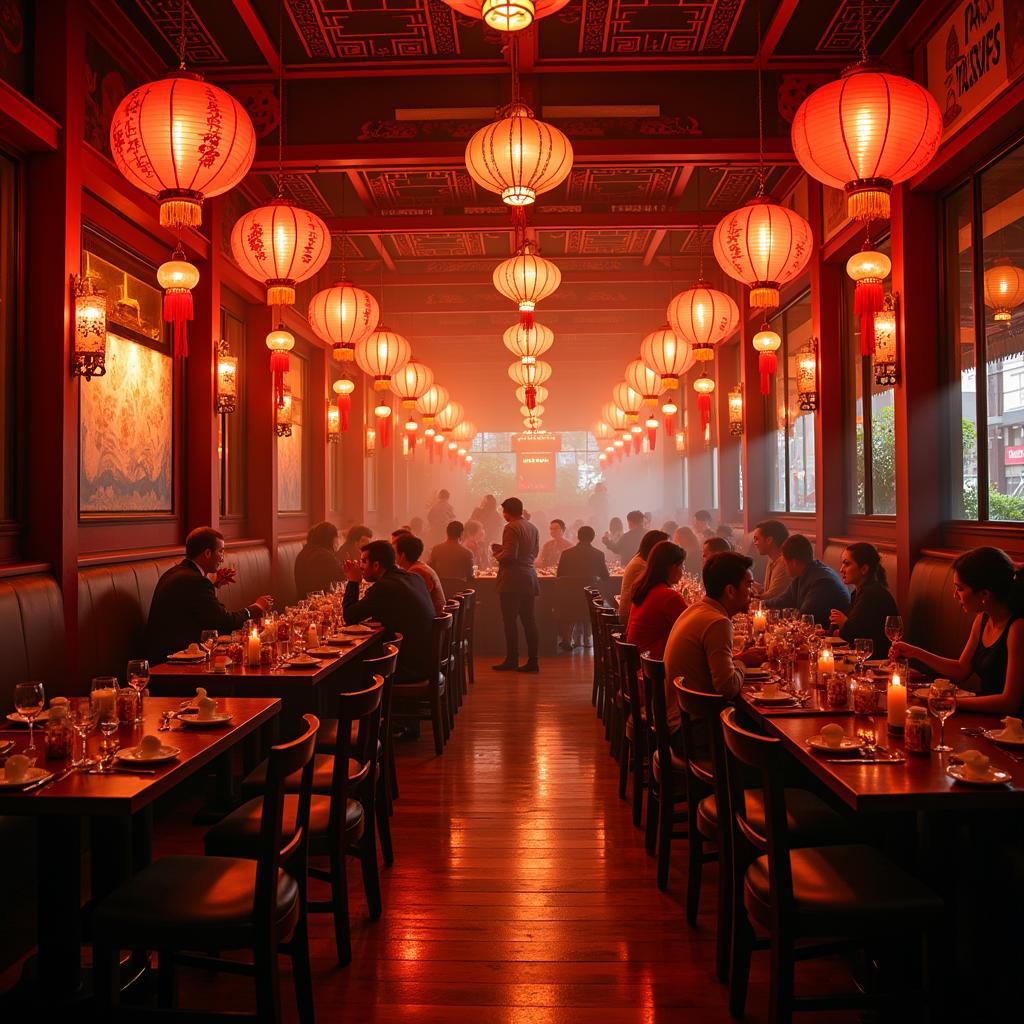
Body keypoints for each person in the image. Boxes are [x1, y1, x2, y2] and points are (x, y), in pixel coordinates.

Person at [891, 546, 1024, 715]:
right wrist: (915, 652)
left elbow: (1009, 702)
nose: (955, 595)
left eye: (960, 588)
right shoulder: (982, 620)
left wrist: (951, 703)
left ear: (984, 594)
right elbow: (961, 670)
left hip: (1012, 728)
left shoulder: (1017, 628)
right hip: (986, 719)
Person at [663, 551, 766, 733]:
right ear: (730, 590)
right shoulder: (718, 622)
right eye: (748, 585)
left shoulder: (697, 609)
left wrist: (737, 659)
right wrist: (743, 662)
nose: (753, 592)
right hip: (693, 730)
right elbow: (727, 688)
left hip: (678, 719)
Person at [145, 527, 272, 663]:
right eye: (221, 551)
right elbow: (225, 623)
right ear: (207, 553)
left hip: (166, 656)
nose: (222, 558)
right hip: (172, 663)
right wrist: (256, 608)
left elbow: (195, 609)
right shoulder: (196, 582)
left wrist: (213, 584)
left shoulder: (174, 573)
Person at [341, 539, 435, 682]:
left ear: (377, 565)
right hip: (426, 660)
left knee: (349, 672)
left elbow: (350, 616)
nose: (360, 567)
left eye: (364, 561)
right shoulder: (413, 577)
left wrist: (353, 581)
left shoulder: (385, 587)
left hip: (407, 668)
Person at [490, 496, 540, 673]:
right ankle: (533, 661)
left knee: (510, 621)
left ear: (507, 512)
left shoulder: (510, 527)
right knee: (529, 620)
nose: (503, 515)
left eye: (503, 511)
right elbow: (534, 552)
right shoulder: (532, 527)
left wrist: (496, 554)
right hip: (529, 577)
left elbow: (510, 556)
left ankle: (512, 658)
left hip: (512, 580)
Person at [829, 543, 899, 657]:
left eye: (847, 564)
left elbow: (855, 635)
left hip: (878, 662)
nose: (841, 569)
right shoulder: (859, 593)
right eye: (842, 563)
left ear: (864, 569)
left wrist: (843, 623)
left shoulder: (872, 594)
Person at [764, 534, 850, 627]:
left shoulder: (822, 582)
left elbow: (805, 617)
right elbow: (783, 601)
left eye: (784, 561)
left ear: (794, 562)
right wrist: (761, 605)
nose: (783, 566)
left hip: (832, 638)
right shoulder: (804, 573)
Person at [626, 541, 688, 660]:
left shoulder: (643, 587)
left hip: (638, 660)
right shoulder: (669, 596)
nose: (682, 571)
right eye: (681, 566)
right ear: (672, 567)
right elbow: (691, 630)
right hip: (654, 667)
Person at [618, 529, 669, 625]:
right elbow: (654, 595)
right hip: (629, 619)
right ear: (655, 548)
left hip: (631, 615)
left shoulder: (640, 560)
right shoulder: (641, 566)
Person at [395, 533, 446, 615]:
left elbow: (414, 602)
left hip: (433, 621)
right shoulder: (419, 566)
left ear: (402, 555)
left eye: (395, 552)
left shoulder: (417, 571)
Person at [294, 520, 344, 601]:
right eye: (337, 538)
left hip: (302, 601)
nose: (338, 541)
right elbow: (343, 579)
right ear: (332, 539)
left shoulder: (303, 552)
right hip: (320, 604)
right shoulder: (325, 556)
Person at [751, 519, 790, 601]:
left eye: (756, 539)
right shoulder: (772, 559)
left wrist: (749, 597)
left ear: (769, 540)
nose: (754, 543)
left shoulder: (784, 563)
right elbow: (768, 591)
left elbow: (772, 596)